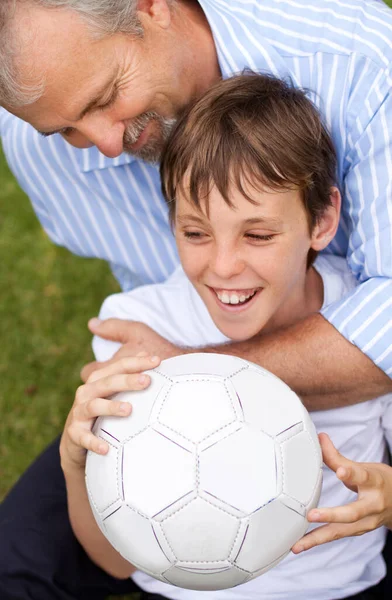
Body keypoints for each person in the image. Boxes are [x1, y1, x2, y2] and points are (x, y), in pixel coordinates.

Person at [2, 71, 392, 600]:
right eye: (195, 233)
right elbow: (115, 565)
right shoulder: (141, 330)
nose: (224, 266)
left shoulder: (359, 326)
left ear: (322, 220)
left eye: (257, 234)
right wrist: (76, 465)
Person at [0, 0, 391, 409]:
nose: (108, 146)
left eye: (106, 96)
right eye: (65, 130)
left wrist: (188, 373)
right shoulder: (39, 157)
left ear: (151, 8)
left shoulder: (365, 67)